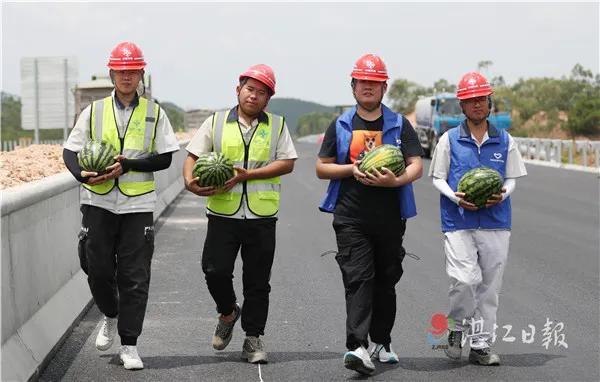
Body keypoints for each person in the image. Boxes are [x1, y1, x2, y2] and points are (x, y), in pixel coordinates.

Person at [63, 41, 180, 370]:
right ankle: (111, 314)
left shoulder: (155, 113)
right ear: (112, 74)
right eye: (121, 71)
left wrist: (128, 166)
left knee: (135, 277)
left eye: (133, 71)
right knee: (96, 269)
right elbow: (70, 152)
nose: (127, 76)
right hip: (97, 202)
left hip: (137, 205)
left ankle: (130, 344)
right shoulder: (94, 111)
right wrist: (82, 175)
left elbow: (166, 157)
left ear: (141, 74)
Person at [316, 53, 424, 375]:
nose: (368, 87)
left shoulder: (399, 124)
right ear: (353, 86)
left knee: (386, 280)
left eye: (374, 82)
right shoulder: (341, 124)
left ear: (384, 88)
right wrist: (352, 168)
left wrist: (398, 179)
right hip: (351, 217)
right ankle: (357, 346)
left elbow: (416, 164)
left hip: (390, 218)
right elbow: (321, 167)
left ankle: (381, 340)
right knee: (358, 278)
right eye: (362, 81)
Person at [183, 64, 297, 364]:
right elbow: (192, 156)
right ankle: (228, 311)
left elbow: (287, 162)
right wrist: (189, 182)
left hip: (261, 216)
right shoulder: (216, 122)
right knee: (214, 270)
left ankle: (253, 338)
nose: (254, 96)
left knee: (258, 282)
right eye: (250, 89)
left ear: (267, 99)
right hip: (223, 213)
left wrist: (249, 176)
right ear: (238, 90)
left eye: (261, 92)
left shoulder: (277, 125)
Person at [428, 72, 527, 366]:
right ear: (462, 106)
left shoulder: (505, 140)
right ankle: (458, 328)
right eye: (470, 101)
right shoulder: (448, 140)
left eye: (481, 99)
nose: (477, 105)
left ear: (489, 103)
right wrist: (455, 197)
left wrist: (504, 194)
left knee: (489, 286)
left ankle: (481, 345)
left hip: (496, 222)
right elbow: (438, 178)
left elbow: (511, 178)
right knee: (465, 280)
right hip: (458, 220)